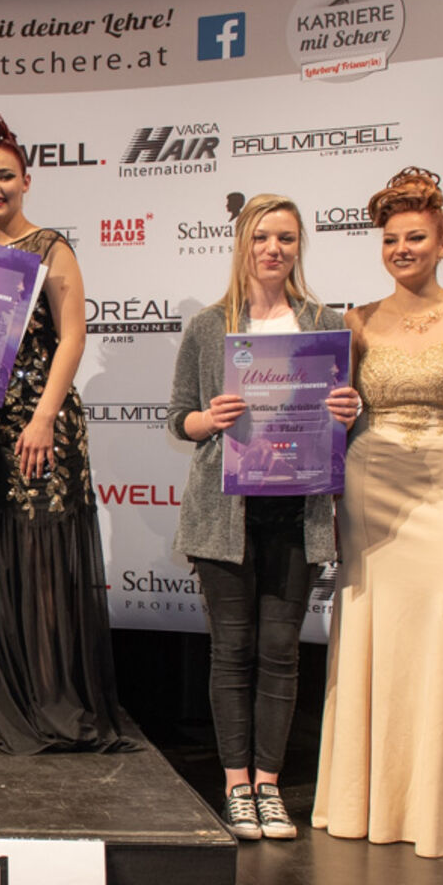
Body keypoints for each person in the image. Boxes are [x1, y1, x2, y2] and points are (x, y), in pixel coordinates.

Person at [314, 167, 443, 857]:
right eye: (392, 239)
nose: (402, 249)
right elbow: (338, 415)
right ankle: (364, 801)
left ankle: (441, 811)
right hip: (373, 485)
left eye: (416, 237)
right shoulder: (357, 321)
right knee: (375, 631)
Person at [168, 195, 360, 839]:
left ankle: (269, 787)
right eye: (261, 237)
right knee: (232, 651)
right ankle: (235, 786)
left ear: (299, 246)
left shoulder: (326, 324)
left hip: (298, 514)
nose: (273, 249)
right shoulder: (208, 327)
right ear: (242, 245)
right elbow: (179, 418)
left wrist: (349, 414)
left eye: (286, 238)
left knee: (281, 652)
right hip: (225, 516)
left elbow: (346, 423)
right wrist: (209, 419)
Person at [0, 108, 143, 754]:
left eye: (5, 176)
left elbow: (73, 337)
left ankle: (51, 701)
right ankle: (1, 699)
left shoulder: (50, 247)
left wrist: (42, 417)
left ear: (27, 181)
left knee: (41, 558)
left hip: (43, 422)